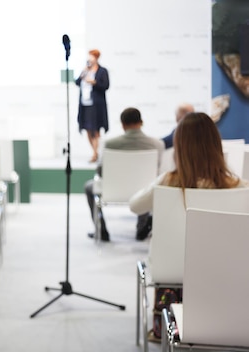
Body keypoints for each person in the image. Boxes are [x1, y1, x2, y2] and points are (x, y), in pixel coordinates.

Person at [129, 111, 246, 343]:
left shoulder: (166, 182)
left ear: (179, 147)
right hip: (222, 277)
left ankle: (164, 325)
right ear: (215, 145)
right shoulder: (239, 187)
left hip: (171, 272)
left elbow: (135, 205)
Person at [84, 107, 164, 242]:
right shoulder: (157, 144)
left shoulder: (110, 144)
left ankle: (101, 230)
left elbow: (100, 171)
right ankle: (142, 227)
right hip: (144, 191)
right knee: (147, 185)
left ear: (122, 124)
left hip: (113, 190)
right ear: (141, 122)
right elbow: (156, 170)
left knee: (89, 186)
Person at [76, 49, 110, 163]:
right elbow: (77, 82)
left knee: (96, 129)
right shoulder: (86, 70)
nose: (90, 59)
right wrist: (83, 72)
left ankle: (95, 153)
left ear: (96, 58)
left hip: (96, 105)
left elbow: (105, 85)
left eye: (91, 56)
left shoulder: (102, 71)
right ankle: (94, 152)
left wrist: (94, 82)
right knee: (87, 129)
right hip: (85, 104)